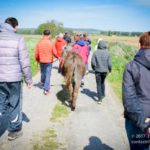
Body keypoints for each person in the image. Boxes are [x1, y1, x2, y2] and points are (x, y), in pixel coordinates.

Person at [0, 17, 32, 140]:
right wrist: (28, 79)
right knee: (15, 104)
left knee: (0, 103)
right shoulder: (18, 39)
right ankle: (14, 131)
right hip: (14, 79)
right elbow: (24, 61)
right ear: (15, 27)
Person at [122, 31, 150, 150]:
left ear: (140, 44)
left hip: (138, 120)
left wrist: (145, 124)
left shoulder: (131, 66)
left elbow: (129, 99)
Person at [35, 30, 60, 95]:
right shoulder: (51, 43)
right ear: (49, 35)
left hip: (41, 61)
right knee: (48, 74)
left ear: (43, 34)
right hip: (49, 61)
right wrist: (58, 57)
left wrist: (37, 59)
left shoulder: (39, 43)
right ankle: (46, 89)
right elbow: (54, 52)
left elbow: (36, 53)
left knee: (43, 73)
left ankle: (43, 82)